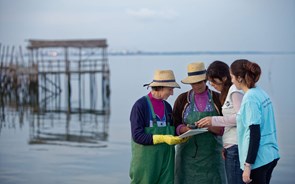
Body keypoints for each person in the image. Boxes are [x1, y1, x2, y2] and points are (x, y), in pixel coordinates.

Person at [129, 69, 188, 184]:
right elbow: (137, 136)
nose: (172, 93)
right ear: (160, 87)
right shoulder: (140, 106)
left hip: (167, 162)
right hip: (146, 164)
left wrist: (182, 134)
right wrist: (162, 138)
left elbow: (171, 132)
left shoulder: (167, 107)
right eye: (170, 89)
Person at [173, 62, 227, 184]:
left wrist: (210, 126)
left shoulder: (218, 98)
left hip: (213, 157)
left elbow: (227, 127)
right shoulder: (182, 100)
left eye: (199, 82)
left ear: (206, 80)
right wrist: (184, 129)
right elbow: (174, 124)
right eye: (193, 83)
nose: (196, 86)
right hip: (187, 157)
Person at [229, 59, 280, 184]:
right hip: (271, 155)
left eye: (232, 77)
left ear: (239, 78)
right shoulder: (260, 92)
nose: (231, 80)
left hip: (258, 160)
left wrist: (247, 165)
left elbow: (254, 133)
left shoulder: (250, 98)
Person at [196, 60, 244, 184]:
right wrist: (225, 144)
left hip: (236, 146)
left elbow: (241, 118)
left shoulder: (234, 91)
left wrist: (213, 120)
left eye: (213, 81)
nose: (211, 84)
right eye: (209, 81)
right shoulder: (225, 93)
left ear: (223, 77)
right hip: (231, 146)